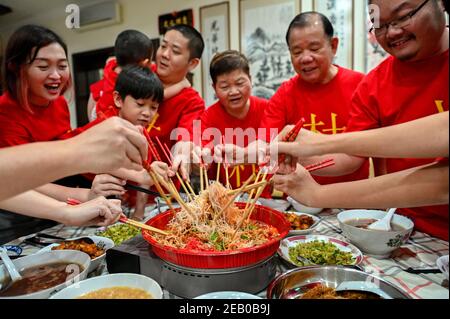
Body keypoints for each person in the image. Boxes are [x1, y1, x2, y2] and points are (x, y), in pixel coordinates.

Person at [289, 0, 448, 240]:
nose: (392, 32)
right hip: (399, 228)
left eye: (404, 16)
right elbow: (349, 156)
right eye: (380, 25)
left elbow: (442, 180)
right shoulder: (374, 84)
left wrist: (317, 186)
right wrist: (287, 151)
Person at [223, 12, 370, 184]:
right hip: (300, 199)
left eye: (314, 49)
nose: (306, 58)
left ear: (333, 45)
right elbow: (265, 142)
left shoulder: (360, 85)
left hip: (352, 200)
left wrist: (292, 153)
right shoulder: (284, 94)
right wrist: (244, 154)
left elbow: (353, 158)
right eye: (297, 51)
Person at [271, 112, 449, 209]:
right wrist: (316, 194)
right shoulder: (375, 82)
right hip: (400, 211)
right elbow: (442, 183)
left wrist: (321, 143)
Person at [196, 50, 271, 197]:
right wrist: (202, 154)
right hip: (223, 203)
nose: (233, 91)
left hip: (263, 198)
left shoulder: (268, 110)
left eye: (240, 83)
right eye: (224, 87)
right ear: (214, 88)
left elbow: (276, 148)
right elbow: (202, 151)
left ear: (250, 79)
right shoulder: (208, 117)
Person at [89, 29, 190, 121]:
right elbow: (158, 96)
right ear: (144, 63)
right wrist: (181, 85)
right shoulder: (131, 80)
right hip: (106, 120)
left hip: (98, 112)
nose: (153, 64)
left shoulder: (111, 65)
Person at [151, 24, 206, 180]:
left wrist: (183, 153)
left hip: (161, 188)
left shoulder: (192, 101)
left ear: (192, 63)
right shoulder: (141, 73)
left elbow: (186, 136)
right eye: (163, 46)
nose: (165, 54)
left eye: (175, 51)